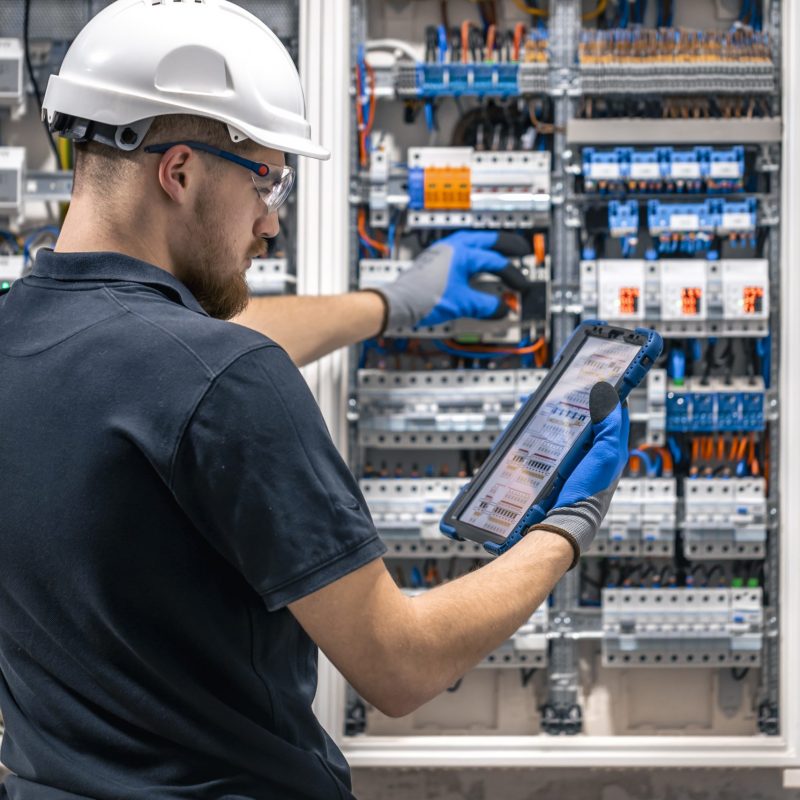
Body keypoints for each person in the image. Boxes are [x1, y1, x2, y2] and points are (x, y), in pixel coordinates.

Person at [0, 1, 629, 798]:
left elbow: (164, 360)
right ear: (181, 172)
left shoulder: (23, 331)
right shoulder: (229, 379)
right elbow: (401, 666)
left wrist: (392, 303)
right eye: (267, 178)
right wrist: (567, 526)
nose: (270, 220)